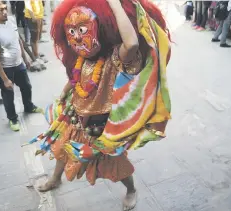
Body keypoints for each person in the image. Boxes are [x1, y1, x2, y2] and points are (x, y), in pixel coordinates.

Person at [27, 0, 171, 210]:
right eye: (72, 31)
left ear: (99, 29)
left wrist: (114, 4)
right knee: (62, 147)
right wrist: (68, 88)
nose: (77, 37)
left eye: (83, 29)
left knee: (114, 162)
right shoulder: (81, 58)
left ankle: (131, 189)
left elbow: (131, 44)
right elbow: (77, 76)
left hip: (101, 125)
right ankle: (55, 179)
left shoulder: (115, 58)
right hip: (75, 114)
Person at [0, 1, 44, 131]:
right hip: (5, 68)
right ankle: (12, 118)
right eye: (1, 10)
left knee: (26, 86)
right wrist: (5, 79)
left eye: (5, 8)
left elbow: (18, 41)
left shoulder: (11, 20)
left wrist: (25, 58)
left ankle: (28, 106)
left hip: (19, 64)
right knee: (8, 94)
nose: (5, 12)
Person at [24, 0, 47, 68]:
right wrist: (33, 16)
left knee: (37, 38)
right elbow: (28, 4)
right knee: (34, 38)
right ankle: (35, 57)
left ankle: (36, 54)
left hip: (39, 16)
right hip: (33, 17)